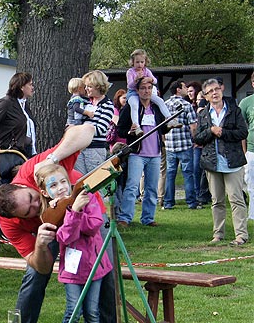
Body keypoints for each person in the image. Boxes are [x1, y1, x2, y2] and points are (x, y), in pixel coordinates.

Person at [0, 123, 126, 323]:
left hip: (87, 214)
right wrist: (41, 246)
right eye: (28, 212)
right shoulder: (9, 223)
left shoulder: (34, 170)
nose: (35, 207)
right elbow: (39, 265)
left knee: (105, 270)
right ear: (14, 218)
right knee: (32, 279)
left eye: (32, 198)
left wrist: (52, 159)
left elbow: (86, 130)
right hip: (55, 232)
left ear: (24, 185)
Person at [34, 163, 111, 323]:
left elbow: (93, 225)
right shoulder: (52, 213)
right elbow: (66, 237)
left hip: (95, 267)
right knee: (73, 312)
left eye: (63, 182)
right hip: (72, 271)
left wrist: (78, 209)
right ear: (45, 192)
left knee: (92, 312)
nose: (60, 188)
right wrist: (73, 211)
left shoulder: (88, 197)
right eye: (53, 185)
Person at [193, 79, 248, 245]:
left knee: (236, 199)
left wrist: (223, 132)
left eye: (217, 89)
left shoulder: (234, 110)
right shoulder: (202, 114)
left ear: (222, 90)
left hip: (232, 161)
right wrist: (211, 131)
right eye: (210, 91)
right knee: (217, 201)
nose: (214, 93)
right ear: (206, 96)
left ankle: (241, 235)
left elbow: (242, 133)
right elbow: (197, 138)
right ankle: (218, 234)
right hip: (212, 162)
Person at [116, 77, 172, 227]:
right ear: (137, 90)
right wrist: (130, 132)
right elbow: (120, 130)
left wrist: (168, 126)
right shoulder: (130, 107)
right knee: (132, 186)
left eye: (149, 88)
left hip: (155, 153)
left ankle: (148, 218)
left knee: (152, 187)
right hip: (137, 154)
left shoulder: (156, 107)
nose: (146, 91)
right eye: (143, 88)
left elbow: (161, 128)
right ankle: (125, 218)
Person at [163, 80, 198, 210]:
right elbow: (193, 126)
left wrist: (164, 140)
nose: (186, 89)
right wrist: (194, 140)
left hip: (170, 145)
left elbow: (162, 125)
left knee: (170, 174)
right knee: (188, 174)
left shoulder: (165, 105)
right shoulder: (186, 105)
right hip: (184, 144)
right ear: (178, 89)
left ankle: (168, 203)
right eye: (184, 87)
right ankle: (191, 202)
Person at [74, 70, 114, 175]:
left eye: (89, 86)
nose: (86, 89)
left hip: (95, 149)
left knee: (95, 185)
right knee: (79, 183)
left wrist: (79, 131)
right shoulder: (85, 102)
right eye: (86, 86)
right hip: (80, 148)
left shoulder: (107, 105)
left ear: (98, 86)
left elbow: (100, 129)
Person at [125, 49, 172, 136]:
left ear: (145, 62)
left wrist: (150, 79)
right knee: (134, 105)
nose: (140, 64)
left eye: (142, 62)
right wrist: (136, 80)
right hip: (133, 93)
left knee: (160, 101)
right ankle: (136, 126)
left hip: (146, 93)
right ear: (133, 62)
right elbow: (130, 85)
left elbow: (155, 81)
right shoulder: (130, 72)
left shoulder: (146, 71)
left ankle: (169, 118)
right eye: (137, 62)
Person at [0, 72, 37, 157]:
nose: (32, 88)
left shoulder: (24, 105)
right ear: (22, 87)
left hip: (25, 153)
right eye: (30, 85)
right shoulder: (5, 103)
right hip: (9, 154)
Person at [239, 72, 254, 221]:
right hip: (252, 150)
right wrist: (244, 151)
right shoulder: (246, 102)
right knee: (251, 184)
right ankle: (252, 214)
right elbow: (242, 129)